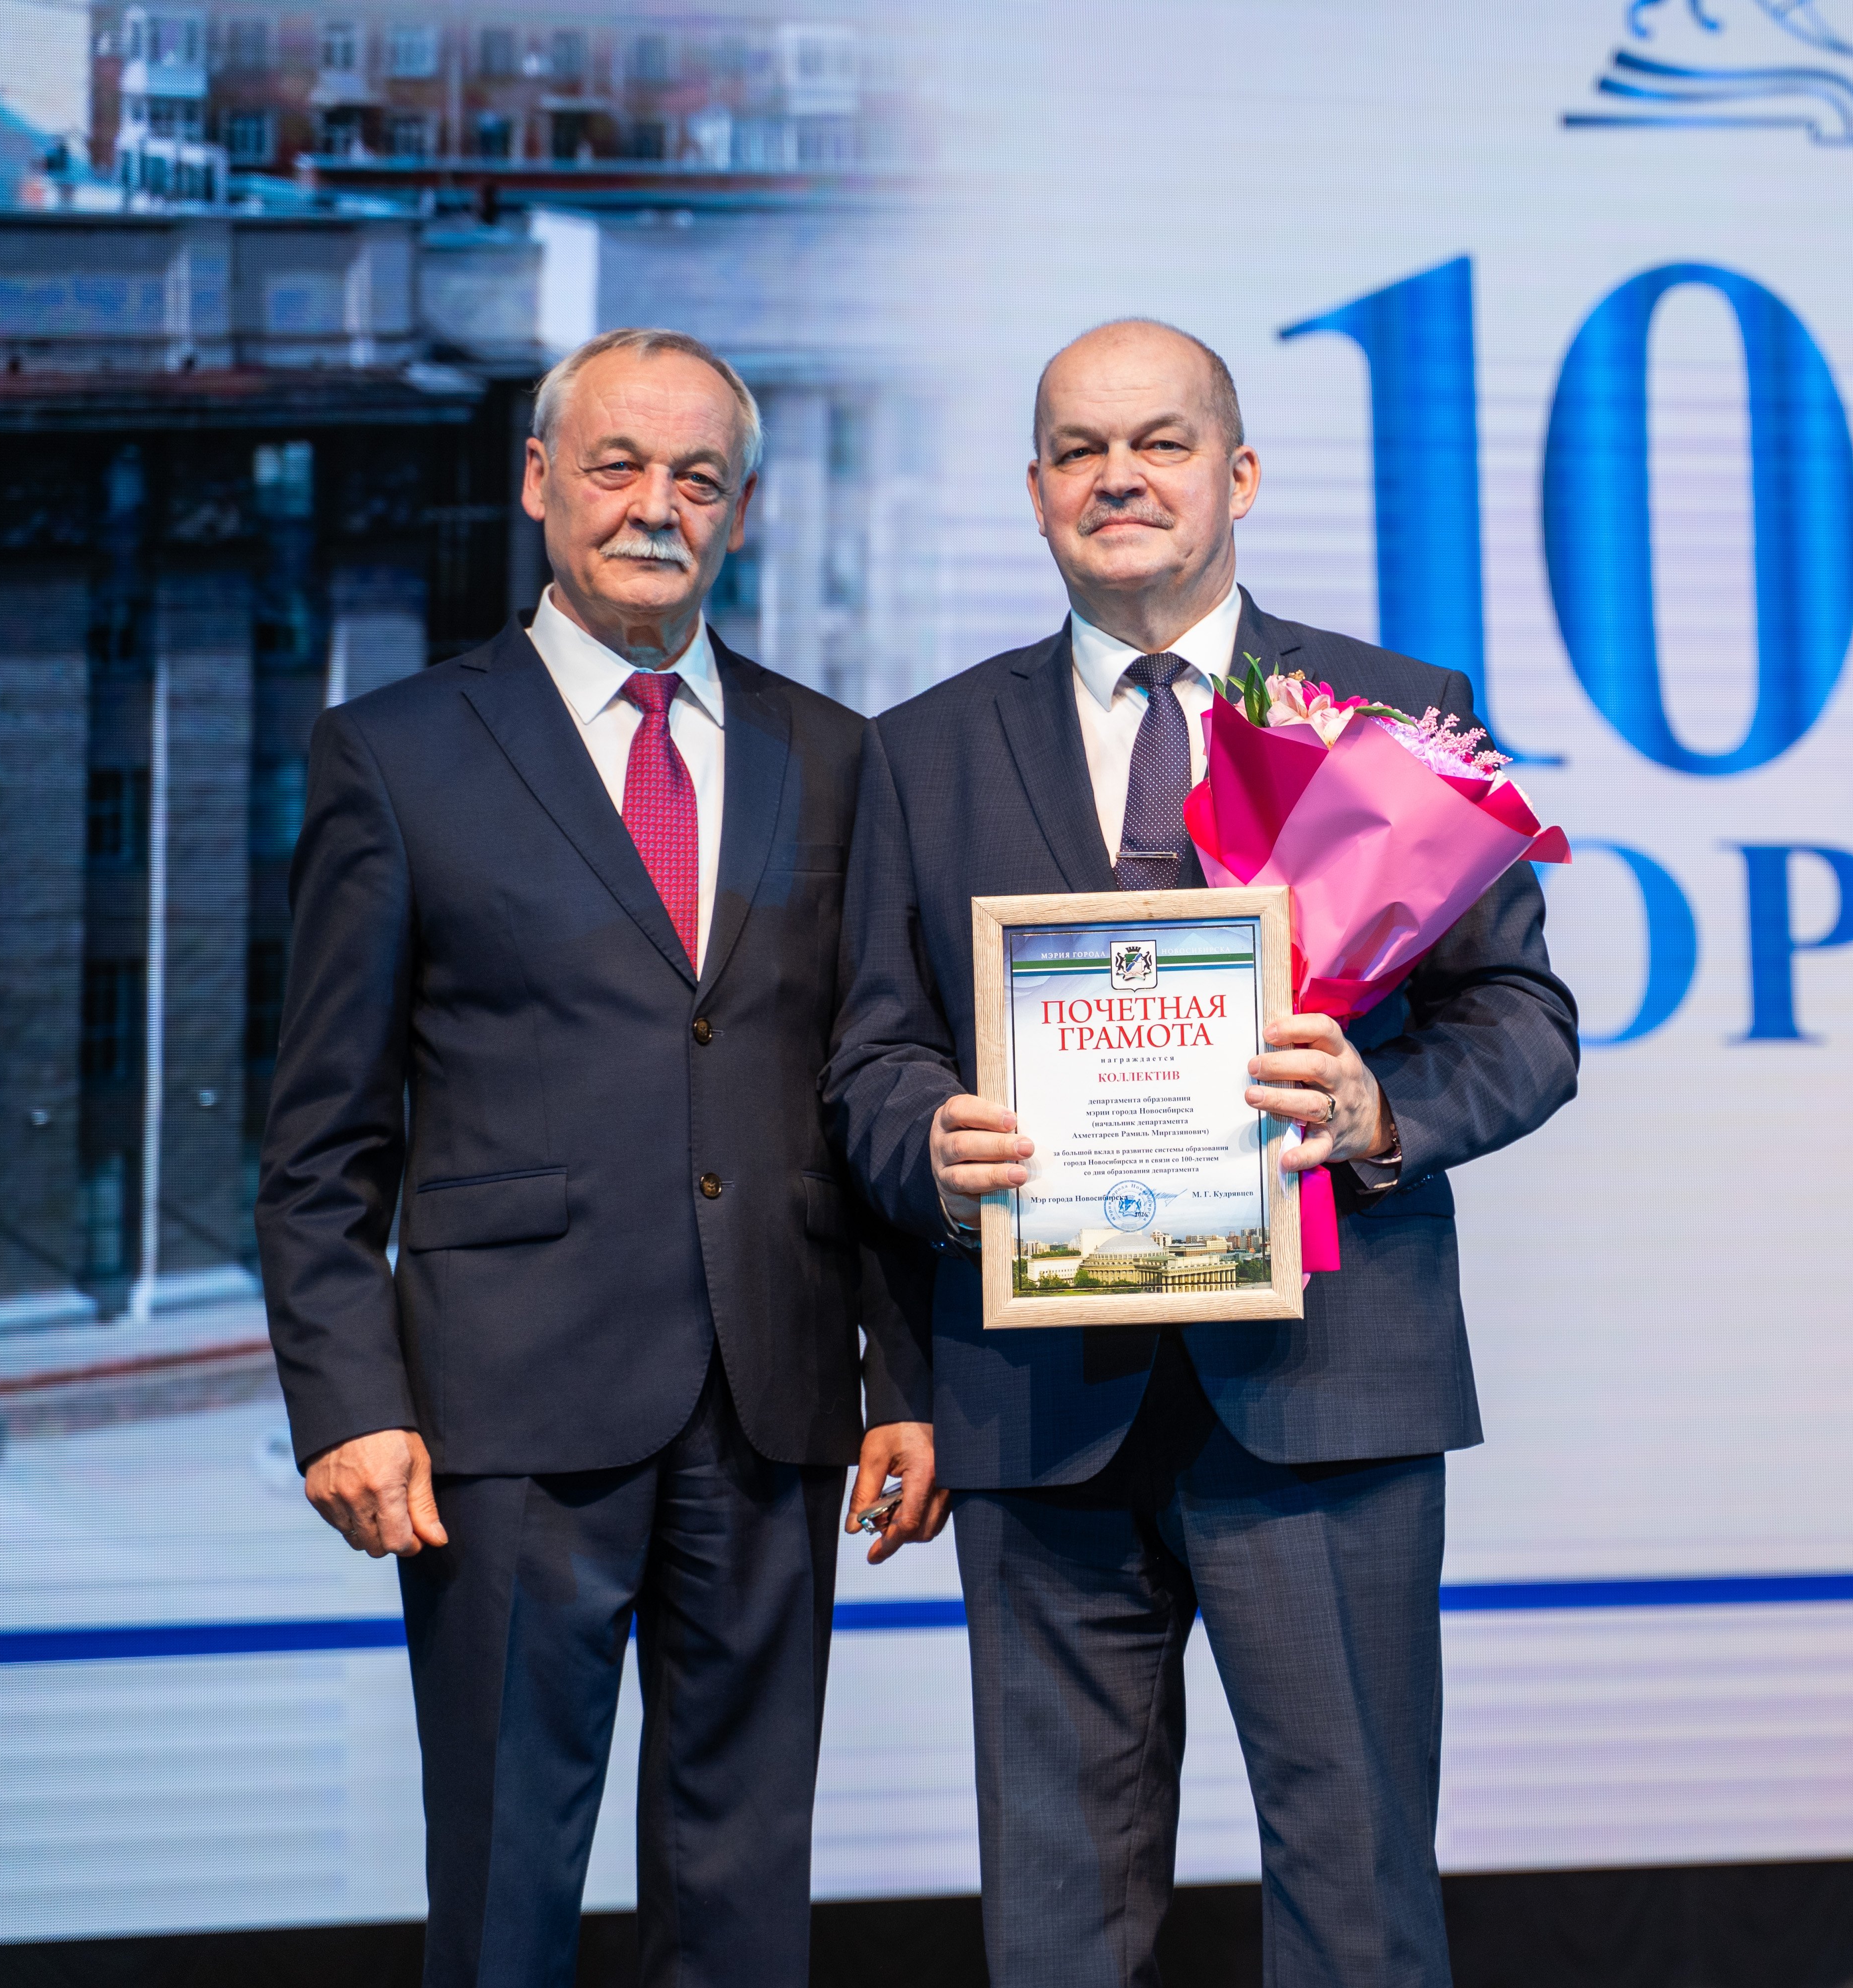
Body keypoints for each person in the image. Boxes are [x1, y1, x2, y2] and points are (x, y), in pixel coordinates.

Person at [826, 318, 1579, 1987]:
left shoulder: (1394, 713)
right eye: (1081, 450)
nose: (1121, 478)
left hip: (1325, 1388)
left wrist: (1380, 1112)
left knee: (1358, 1888)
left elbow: (1525, 1023)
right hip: (1038, 1404)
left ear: (1238, 475)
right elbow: (871, 1053)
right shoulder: (921, 749)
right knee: (1057, 1921)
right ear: (1036, 490)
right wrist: (928, 1140)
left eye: (1161, 443)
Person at [256, 326, 944, 1988]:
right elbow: (324, 1131)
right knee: (506, 1893)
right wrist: (346, 1399)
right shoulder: (395, 752)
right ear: (538, 481)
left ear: (742, 511)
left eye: (699, 478)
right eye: (619, 465)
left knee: (746, 1901)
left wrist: (906, 1376)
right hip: (504, 1415)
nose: (657, 506)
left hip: (775, 1403)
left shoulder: (838, 756)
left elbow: (869, 1081)